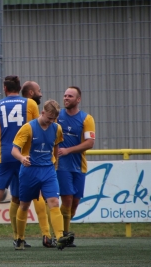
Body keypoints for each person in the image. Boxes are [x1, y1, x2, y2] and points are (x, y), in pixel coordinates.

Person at [0, 75, 39, 249]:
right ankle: (19, 238)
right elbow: (38, 129)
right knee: (20, 199)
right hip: (23, 157)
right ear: (19, 89)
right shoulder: (31, 104)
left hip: (4, 157)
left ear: (4, 88)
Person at [11, 99, 74, 250]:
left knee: (53, 202)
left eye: (54, 119)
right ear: (43, 112)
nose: (51, 121)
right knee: (24, 205)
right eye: (49, 118)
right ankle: (19, 238)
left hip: (48, 171)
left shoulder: (57, 128)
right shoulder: (28, 128)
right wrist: (21, 158)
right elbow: (14, 150)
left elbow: (56, 146)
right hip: (29, 171)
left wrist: (55, 164)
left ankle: (59, 237)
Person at [18, 80, 56, 248]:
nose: (41, 93)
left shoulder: (0, 105)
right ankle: (46, 235)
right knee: (37, 199)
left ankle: (18, 238)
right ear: (31, 93)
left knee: (18, 202)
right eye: (39, 90)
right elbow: (40, 129)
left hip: (8, 154)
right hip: (30, 157)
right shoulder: (32, 105)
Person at [56, 86, 95, 247]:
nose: (66, 98)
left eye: (70, 96)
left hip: (79, 166)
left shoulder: (86, 119)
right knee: (66, 200)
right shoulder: (57, 116)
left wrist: (68, 150)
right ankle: (62, 235)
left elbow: (90, 143)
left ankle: (62, 231)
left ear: (78, 99)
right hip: (61, 166)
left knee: (74, 205)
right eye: (65, 95)